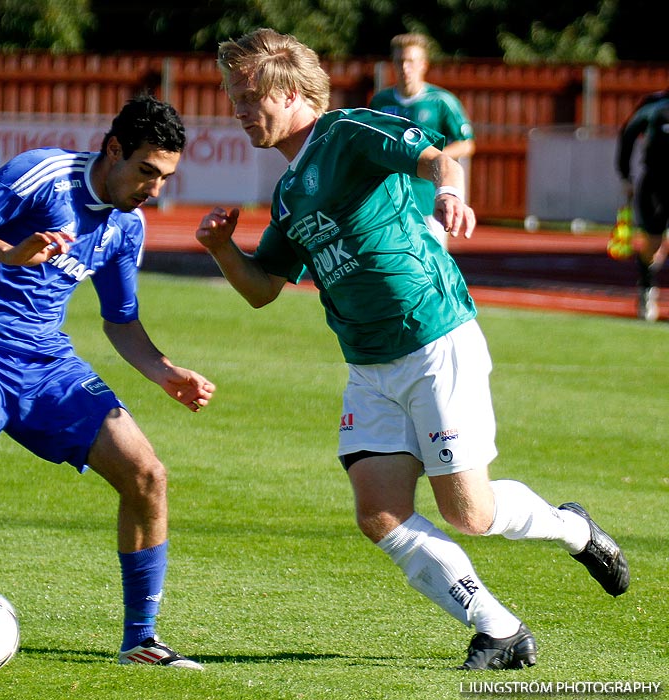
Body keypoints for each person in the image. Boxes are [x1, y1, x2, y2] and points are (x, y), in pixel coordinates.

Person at [196, 28, 629, 671]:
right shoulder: (288, 194)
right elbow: (263, 289)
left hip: (433, 340)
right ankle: (499, 628)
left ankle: (573, 528)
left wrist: (450, 192)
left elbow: (436, 160)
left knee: (469, 514)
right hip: (368, 366)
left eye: (245, 94)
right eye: (233, 96)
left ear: (289, 92)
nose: (236, 110)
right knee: (379, 513)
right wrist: (222, 250)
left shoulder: (347, 133)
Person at [0, 94, 214, 670]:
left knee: (148, 475)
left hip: (48, 362)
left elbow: (120, 320)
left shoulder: (126, 228)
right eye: (146, 172)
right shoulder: (44, 173)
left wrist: (165, 373)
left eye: (165, 178)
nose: (153, 190)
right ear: (114, 149)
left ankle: (141, 640)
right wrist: (12, 254)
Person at [369, 33, 474, 249]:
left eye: (411, 61)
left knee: (432, 260)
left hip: (428, 195)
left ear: (423, 65)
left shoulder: (441, 101)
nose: (405, 67)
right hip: (389, 197)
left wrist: (433, 158)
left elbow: (467, 143)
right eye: (400, 61)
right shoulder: (381, 101)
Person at [616, 88, 669, 322]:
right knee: (653, 242)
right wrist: (625, 175)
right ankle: (647, 289)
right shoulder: (654, 106)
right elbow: (628, 134)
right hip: (656, 182)